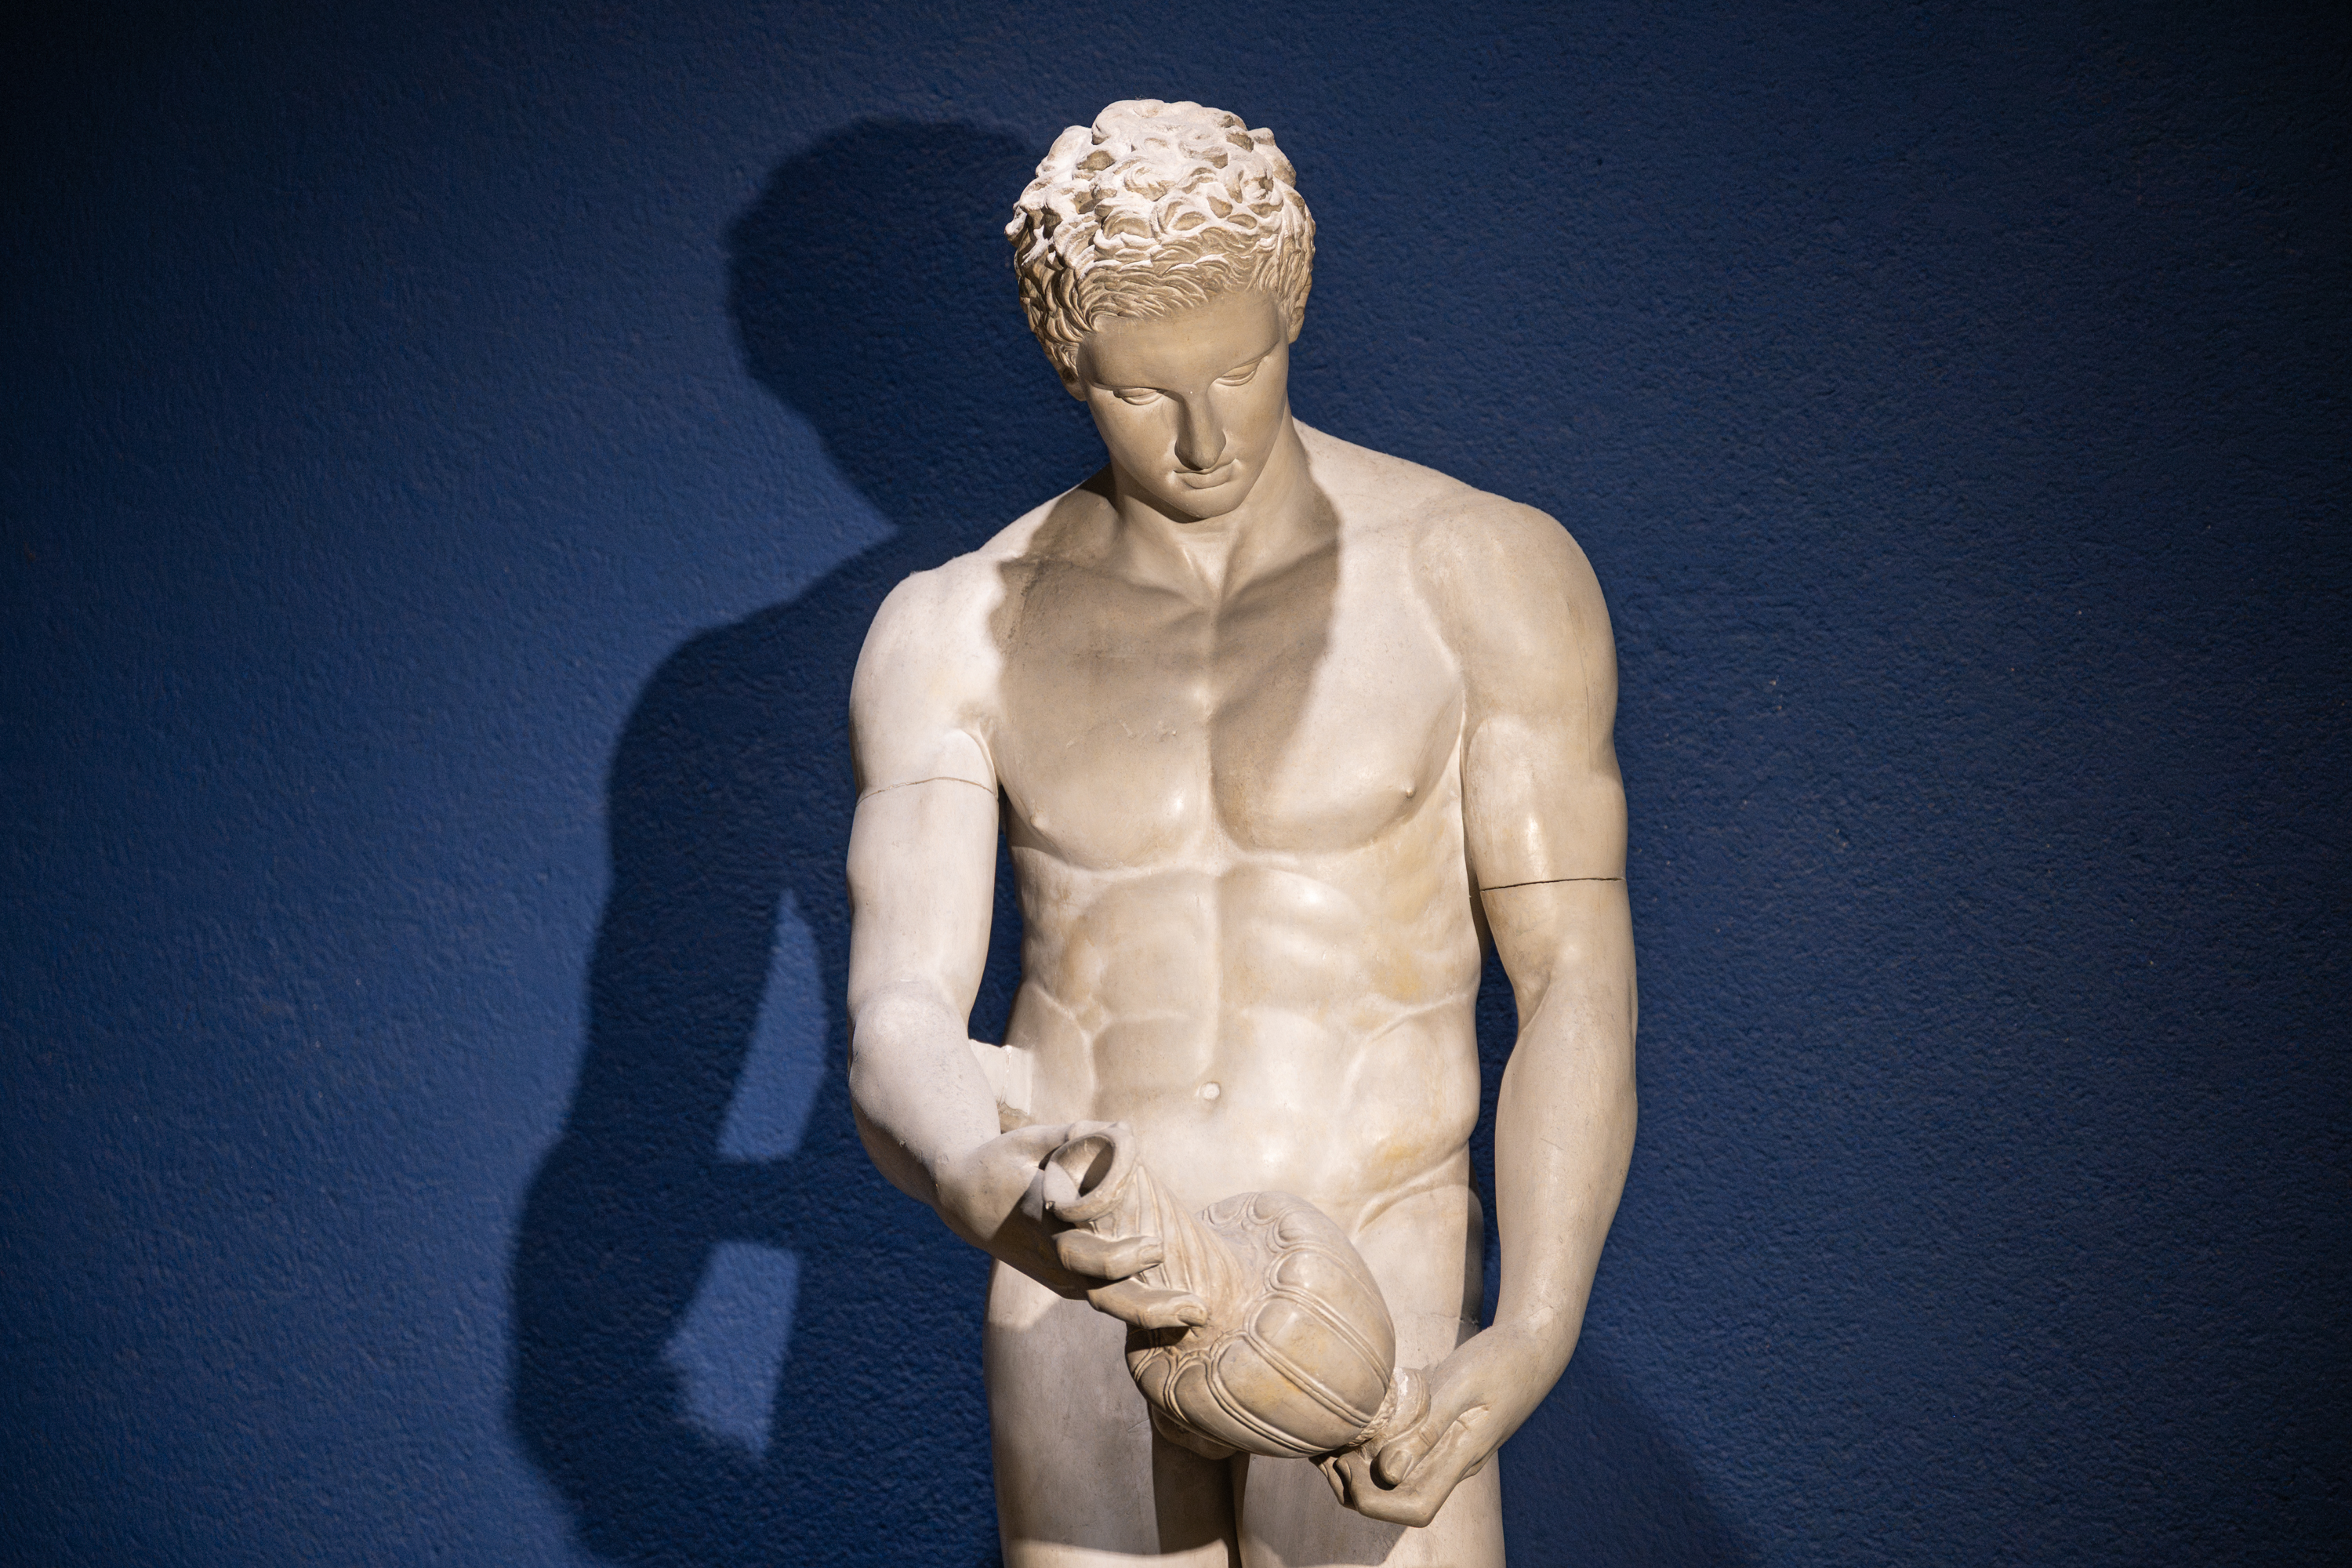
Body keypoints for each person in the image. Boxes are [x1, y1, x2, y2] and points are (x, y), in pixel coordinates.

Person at [844, 99, 1635, 1567]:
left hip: (1375, 1265)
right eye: (1143, 393)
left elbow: (1574, 977)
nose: (1205, 437)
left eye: (1241, 369)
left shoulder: (1479, 572)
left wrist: (1533, 1327)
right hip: (1090, 1280)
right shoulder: (948, 632)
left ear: (1292, 314)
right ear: (1070, 363)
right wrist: (979, 1170)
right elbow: (898, 1014)